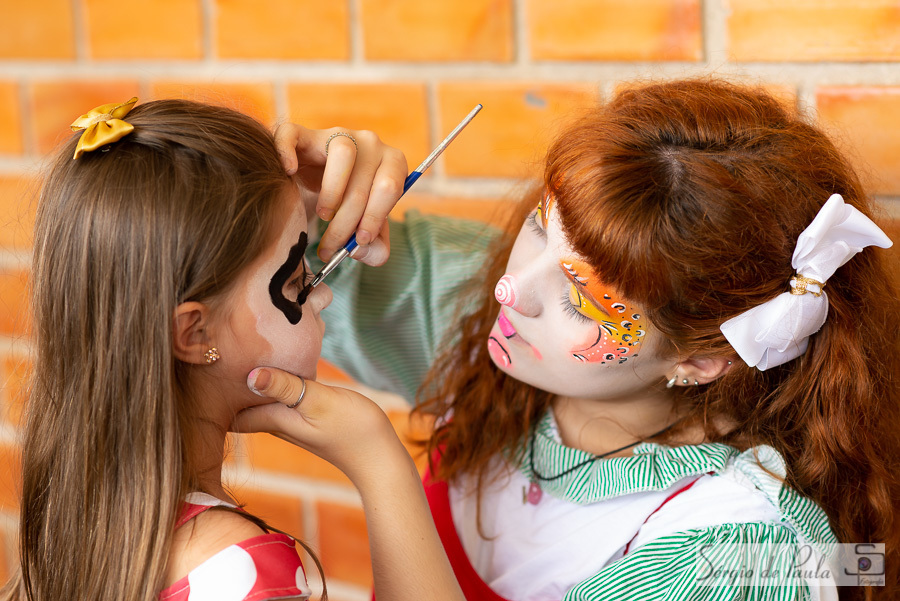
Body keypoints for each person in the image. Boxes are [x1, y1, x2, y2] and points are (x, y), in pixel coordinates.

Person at [262, 78, 900, 600]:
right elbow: (273, 292)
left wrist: (380, 467)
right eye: (541, 228)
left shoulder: (739, 550)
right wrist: (293, 202)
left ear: (703, 359)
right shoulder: (489, 316)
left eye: (584, 296)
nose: (511, 289)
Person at [0, 98, 464, 601]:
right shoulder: (246, 573)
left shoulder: (71, 527)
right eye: (294, 281)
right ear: (194, 334)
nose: (324, 292)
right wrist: (380, 462)